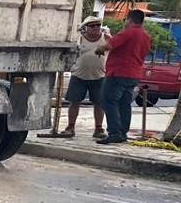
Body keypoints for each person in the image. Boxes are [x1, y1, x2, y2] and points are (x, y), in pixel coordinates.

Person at [95, 8, 151, 144]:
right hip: (134, 74)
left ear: (130, 20)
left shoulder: (128, 33)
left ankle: (114, 132)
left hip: (118, 73)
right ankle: (122, 132)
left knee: (108, 100)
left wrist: (99, 49)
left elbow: (108, 46)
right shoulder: (146, 36)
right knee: (124, 103)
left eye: (125, 19)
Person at [61, 15, 110, 138]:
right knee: (74, 102)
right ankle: (70, 126)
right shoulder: (80, 39)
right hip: (79, 76)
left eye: (98, 25)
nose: (95, 28)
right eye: (92, 26)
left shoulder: (106, 38)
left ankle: (98, 128)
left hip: (99, 76)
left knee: (99, 103)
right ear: (86, 28)